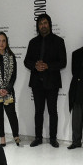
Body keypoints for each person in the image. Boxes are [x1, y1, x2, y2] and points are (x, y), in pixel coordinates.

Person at [23, 13, 66, 147]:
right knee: (38, 111)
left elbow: (63, 62)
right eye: (41, 23)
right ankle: (38, 138)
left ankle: (53, 138)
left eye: (45, 23)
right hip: (37, 82)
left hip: (52, 82)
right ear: (38, 26)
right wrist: (35, 65)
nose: (43, 25)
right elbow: (26, 61)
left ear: (50, 25)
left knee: (52, 111)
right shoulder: (32, 42)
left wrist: (48, 66)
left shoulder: (59, 41)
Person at [0, 32, 20, 146]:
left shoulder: (11, 56)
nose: (1, 43)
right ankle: (2, 137)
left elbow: (14, 75)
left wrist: (7, 89)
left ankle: (16, 135)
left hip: (8, 91)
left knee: (12, 114)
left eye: (3, 40)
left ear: (7, 42)